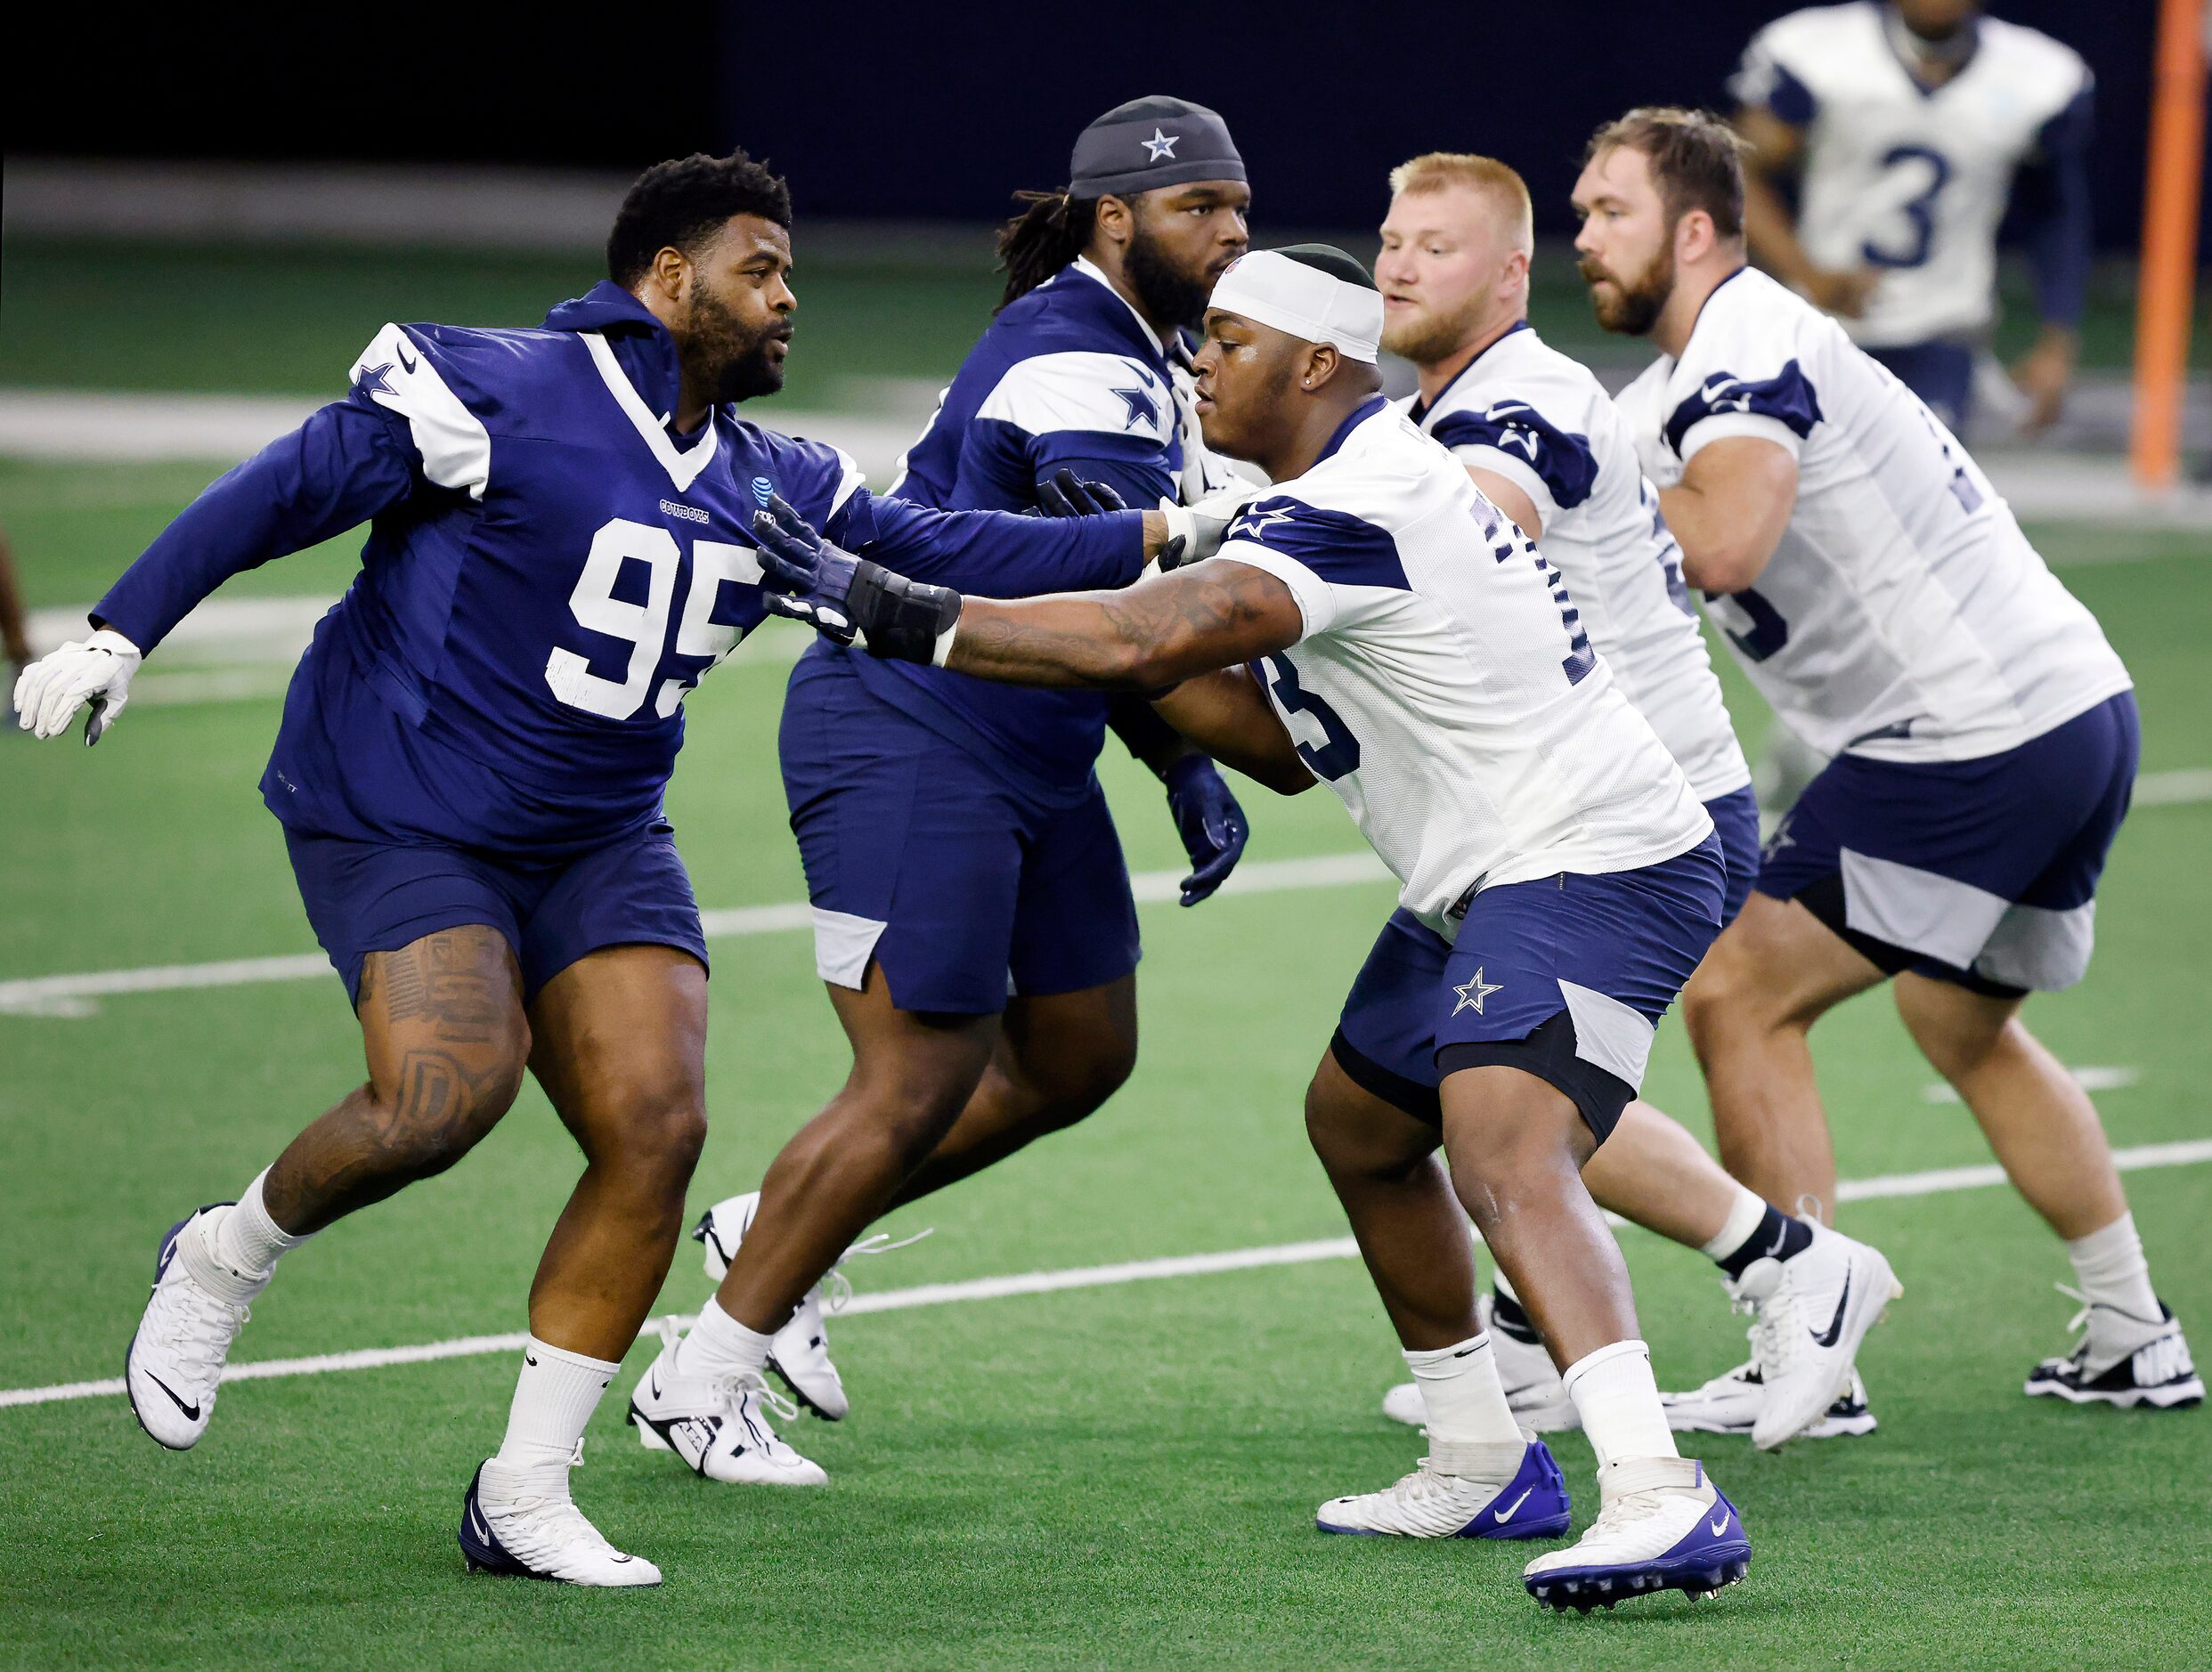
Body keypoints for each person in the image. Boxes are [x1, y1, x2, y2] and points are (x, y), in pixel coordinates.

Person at [13, 150, 1173, 1586]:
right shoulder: (505, 390)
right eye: (763, 269)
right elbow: (292, 485)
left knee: (655, 1125)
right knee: (444, 1092)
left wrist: (1163, 534)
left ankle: (525, 1487)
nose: (789, 298)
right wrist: (123, 627)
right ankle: (228, 1249)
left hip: (600, 831)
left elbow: (944, 542)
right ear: (669, 276)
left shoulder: (775, 473)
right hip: (403, 803)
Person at [753, 245, 1759, 1611]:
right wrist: (924, 569)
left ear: (1319, 364)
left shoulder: (1365, 496)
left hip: (1598, 857)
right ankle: (1479, 1452)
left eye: (1229, 340)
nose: (1199, 360)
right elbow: (1259, 733)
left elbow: (1136, 638)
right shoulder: (1326, 491)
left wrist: (896, 614)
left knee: (1504, 1147)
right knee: (1360, 1124)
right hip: (1490, 867)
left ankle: (1659, 1489)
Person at [644, 95, 1258, 1461]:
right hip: (910, 717)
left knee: (1084, 1049)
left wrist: (1163, 756)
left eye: (1237, 207)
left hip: (1028, 725)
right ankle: (701, 1373)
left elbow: (1108, 616)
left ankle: (773, 1226)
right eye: (1197, 209)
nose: (1231, 236)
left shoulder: (1148, 352)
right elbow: (1141, 592)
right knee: (917, 1071)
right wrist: (1215, 739)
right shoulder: (1071, 359)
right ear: (1117, 219)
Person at [1574, 106, 2200, 1414]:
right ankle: (2132, 1325)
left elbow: (1727, 540)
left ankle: (1803, 1338)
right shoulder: (1664, 399)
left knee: (1739, 993)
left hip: (1967, 732)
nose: (1584, 237)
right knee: (1958, 1019)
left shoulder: (1744, 334)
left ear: (1695, 227)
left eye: (1608, 211)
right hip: (2068, 709)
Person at [1370, 150, 1890, 1447]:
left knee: (1514, 1099)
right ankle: (1537, 1344)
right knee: (1399, 1090)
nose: (1396, 262)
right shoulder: (1449, 408)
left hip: (1626, 817)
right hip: (1536, 812)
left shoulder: (1521, 403)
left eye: (1435, 244)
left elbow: (1456, 551)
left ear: (1505, 273)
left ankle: (1788, 1263)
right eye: (1390, 237)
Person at [1729, 0, 2094, 434]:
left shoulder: (2036, 75)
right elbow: (1738, 172)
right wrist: (1809, 273)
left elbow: (2056, 213)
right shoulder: (1820, 51)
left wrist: (2058, 340)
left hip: (1941, 332)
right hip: (1814, 329)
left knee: (1917, 498)